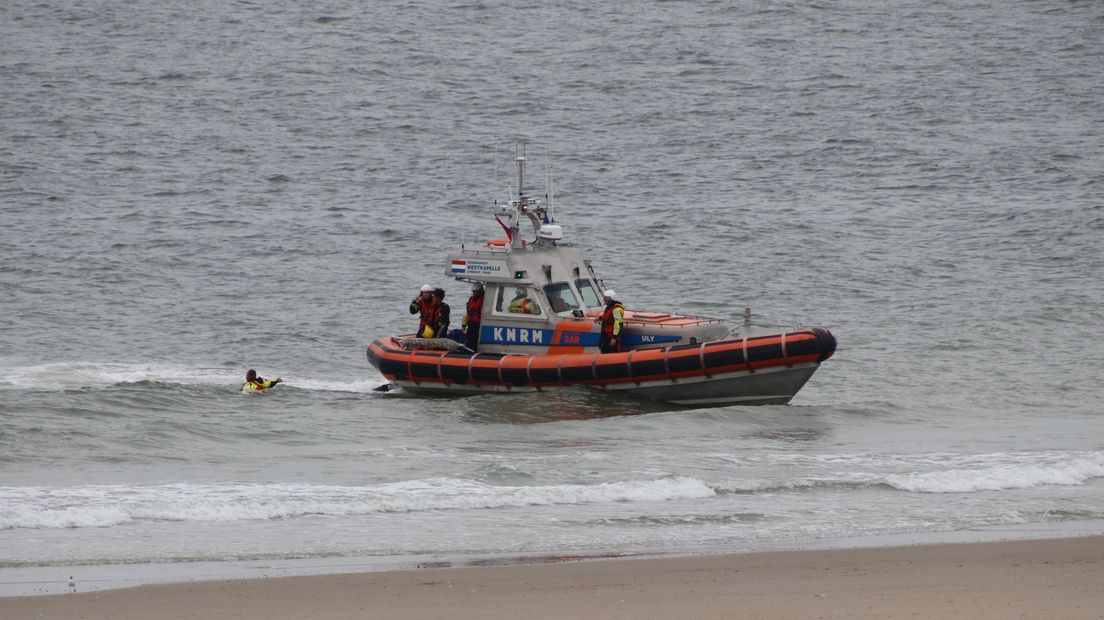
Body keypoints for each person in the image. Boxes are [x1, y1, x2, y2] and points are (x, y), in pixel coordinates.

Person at [463, 282, 484, 351]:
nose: (474, 293)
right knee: (469, 340)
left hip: (479, 324)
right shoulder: (471, 299)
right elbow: (467, 313)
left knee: (475, 340)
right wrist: (464, 325)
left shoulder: (485, 299)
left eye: (476, 291)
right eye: (474, 291)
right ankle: (469, 351)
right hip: (471, 323)